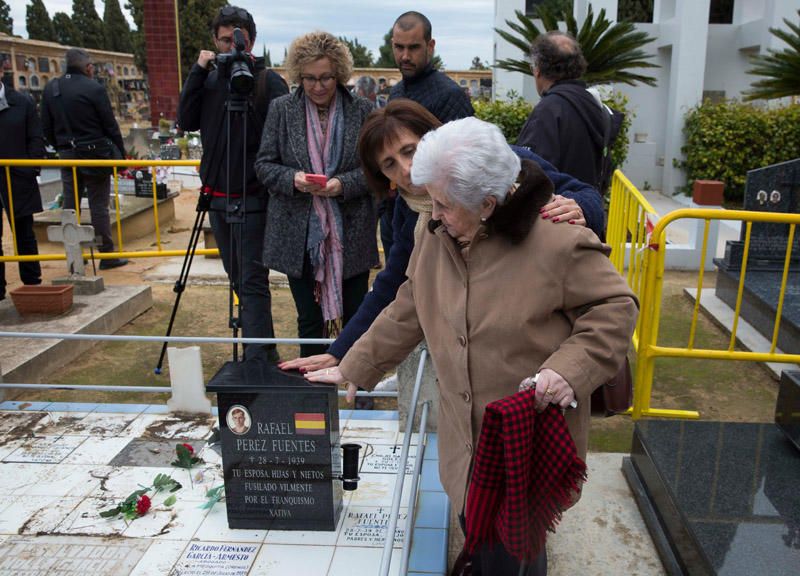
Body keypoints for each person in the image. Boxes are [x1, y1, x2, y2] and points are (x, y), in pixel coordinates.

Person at [306, 117, 638, 574]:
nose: (432, 212)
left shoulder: (557, 242)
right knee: (478, 539)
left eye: (443, 203)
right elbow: (411, 303)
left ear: (487, 202)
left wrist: (567, 370)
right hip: (465, 446)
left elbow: (615, 307)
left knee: (515, 554)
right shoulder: (435, 230)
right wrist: (354, 364)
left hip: (523, 448)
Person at [279, 99, 604, 378]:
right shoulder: (408, 214)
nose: (406, 169)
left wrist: (581, 206)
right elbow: (395, 286)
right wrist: (342, 351)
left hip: (536, 335)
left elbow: (585, 193)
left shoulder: (497, 162)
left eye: (410, 150)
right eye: (390, 164)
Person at [254, 32, 377, 358]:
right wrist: (293, 178)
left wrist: (342, 185)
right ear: (298, 75)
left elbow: (377, 169)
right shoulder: (282, 109)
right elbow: (264, 165)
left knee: (357, 317)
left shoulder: (362, 110)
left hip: (351, 231)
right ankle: (312, 395)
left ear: (339, 74)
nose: (318, 86)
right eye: (309, 78)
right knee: (308, 319)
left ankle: (357, 385)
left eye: (326, 77)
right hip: (298, 234)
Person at [177, 5, 288, 362]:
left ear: (250, 40)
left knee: (253, 283)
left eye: (237, 40)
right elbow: (186, 119)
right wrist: (198, 70)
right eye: (224, 40)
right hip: (217, 198)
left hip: (253, 198)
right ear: (215, 41)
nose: (231, 47)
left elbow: (282, 138)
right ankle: (260, 352)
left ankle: (260, 361)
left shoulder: (266, 81)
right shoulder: (209, 79)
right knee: (237, 279)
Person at [380, 11, 474, 265]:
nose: (405, 56)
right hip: (397, 213)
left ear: (430, 46)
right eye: (399, 47)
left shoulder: (450, 96)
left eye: (413, 47)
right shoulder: (397, 92)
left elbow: (466, 167)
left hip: (436, 219)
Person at [40, 48, 128, 270]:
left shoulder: (52, 88)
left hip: (67, 154)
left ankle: (74, 255)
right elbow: (109, 124)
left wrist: (61, 145)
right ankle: (107, 254)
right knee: (99, 204)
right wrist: (120, 151)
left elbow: (46, 127)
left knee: (70, 204)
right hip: (94, 153)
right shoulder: (94, 88)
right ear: (88, 67)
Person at [516, 31, 609, 191]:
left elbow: (531, 173)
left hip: (558, 208)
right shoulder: (594, 103)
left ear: (538, 70)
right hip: (587, 206)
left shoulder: (549, 110)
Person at [0, 68, 45, 300]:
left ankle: (32, 285)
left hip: (18, 177)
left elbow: (36, 137)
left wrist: (30, 168)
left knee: (24, 233)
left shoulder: (21, 102)